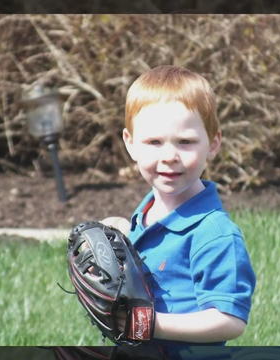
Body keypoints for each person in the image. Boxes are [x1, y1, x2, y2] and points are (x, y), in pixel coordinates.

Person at [102, 65, 256, 357]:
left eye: (185, 142)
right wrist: (121, 234)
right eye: (154, 142)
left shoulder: (214, 234)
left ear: (213, 144)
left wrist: (149, 324)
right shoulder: (147, 210)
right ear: (130, 144)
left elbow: (230, 320)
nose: (169, 156)